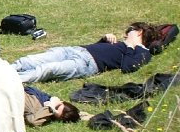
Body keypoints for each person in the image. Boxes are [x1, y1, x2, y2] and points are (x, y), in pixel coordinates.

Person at [11, 23, 159, 84]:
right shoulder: (123, 45)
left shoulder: (143, 53)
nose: (125, 34)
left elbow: (128, 67)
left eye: (129, 30)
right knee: (27, 60)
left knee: (48, 69)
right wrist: (104, 40)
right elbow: (98, 49)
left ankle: (9, 80)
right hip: (74, 50)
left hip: (86, 63)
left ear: (139, 31)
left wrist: (131, 46)